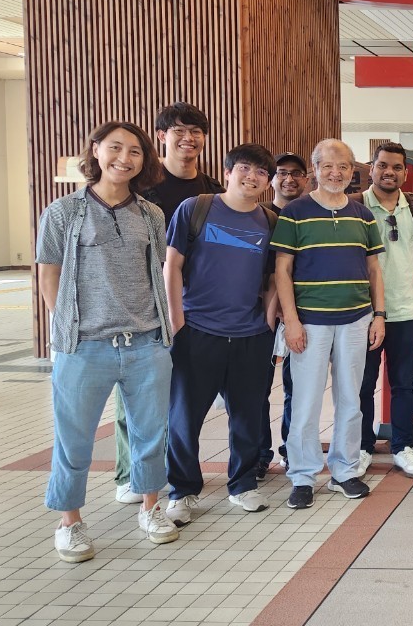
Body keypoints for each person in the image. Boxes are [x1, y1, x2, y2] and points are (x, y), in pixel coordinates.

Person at [37, 121, 178, 562]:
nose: (124, 158)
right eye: (115, 148)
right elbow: (49, 275)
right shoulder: (63, 212)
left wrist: (164, 330)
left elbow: (157, 271)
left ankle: (151, 508)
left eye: (135, 151)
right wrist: (68, 328)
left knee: (151, 433)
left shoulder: (151, 214)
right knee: (74, 438)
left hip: (146, 342)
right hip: (85, 347)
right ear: (96, 150)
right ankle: (70, 523)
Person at [163, 144, 280, 524]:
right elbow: (172, 265)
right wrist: (176, 320)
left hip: (251, 335)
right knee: (185, 417)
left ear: (267, 181)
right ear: (228, 172)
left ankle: (242, 484)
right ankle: (182, 490)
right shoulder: (196, 208)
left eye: (261, 172)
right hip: (197, 331)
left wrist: (268, 321)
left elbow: (273, 278)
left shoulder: (269, 221)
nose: (252, 177)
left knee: (248, 417)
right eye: (244, 168)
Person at [113, 102, 222, 506]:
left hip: (198, 305)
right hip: (145, 303)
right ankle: (129, 473)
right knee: (136, 390)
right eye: (179, 131)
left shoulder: (212, 190)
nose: (188, 139)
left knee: (185, 396)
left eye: (196, 132)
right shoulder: (142, 189)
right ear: (161, 136)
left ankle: (176, 473)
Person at [271, 138, 385, 509]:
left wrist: (379, 315)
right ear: (315, 169)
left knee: (351, 399)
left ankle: (345, 471)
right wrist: (291, 321)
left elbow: (374, 269)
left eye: (343, 166)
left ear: (353, 171)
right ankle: (303, 476)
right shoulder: (295, 212)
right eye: (328, 166)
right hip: (310, 322)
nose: (336, 173)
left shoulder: (362, 215)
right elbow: (282, 270)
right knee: (305, 403)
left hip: (356, 319)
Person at [353, 143, 413, 478]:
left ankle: (402, 447)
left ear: (405, 172)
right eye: (383, 165)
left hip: (405, 310)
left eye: (397, 167)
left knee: (403, 383)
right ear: (372, 168)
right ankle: (362, 447)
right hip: (364, 312)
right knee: (362, 383)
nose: (389, 172)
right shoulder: (356, 206)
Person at [258, 152, 309, 477]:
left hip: (299, 314)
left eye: (296, 173)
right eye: (281, 173)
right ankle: (259, 454)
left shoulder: (309, 215)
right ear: (271, 179)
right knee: (257, 389)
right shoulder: (259, 215)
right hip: (259, 316)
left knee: (297, 388)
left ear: (306, 179)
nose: (289, 178)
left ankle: (291, 450)